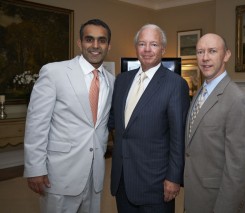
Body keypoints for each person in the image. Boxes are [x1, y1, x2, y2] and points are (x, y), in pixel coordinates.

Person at [23, 19, 115, 212]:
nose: (95, 45)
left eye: (102, 40)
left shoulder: (111, 81)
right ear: (80, 43)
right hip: (60, 173)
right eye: (89, 39)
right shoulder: (54, 72)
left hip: (95, 173)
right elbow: (37, 124)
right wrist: (35, 169)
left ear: (108, 45)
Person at [108, 24, 190, 213]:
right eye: (142, 44)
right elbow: (115, 123)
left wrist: (174, 178)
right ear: (136, 47)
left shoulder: (175, 84)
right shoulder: (121, 80)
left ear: (163, 49)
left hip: (157, 184)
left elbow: (178, 138)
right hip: (122, 180)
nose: (146, 49)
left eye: (153, 44)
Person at [184, 33, 245, 213]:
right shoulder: (201, 93)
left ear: (226, 55)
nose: (205, 58)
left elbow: (238, 171)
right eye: (200, 52)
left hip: (219, 201)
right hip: (196, 195)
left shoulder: (239, 100)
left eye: (212, 51)